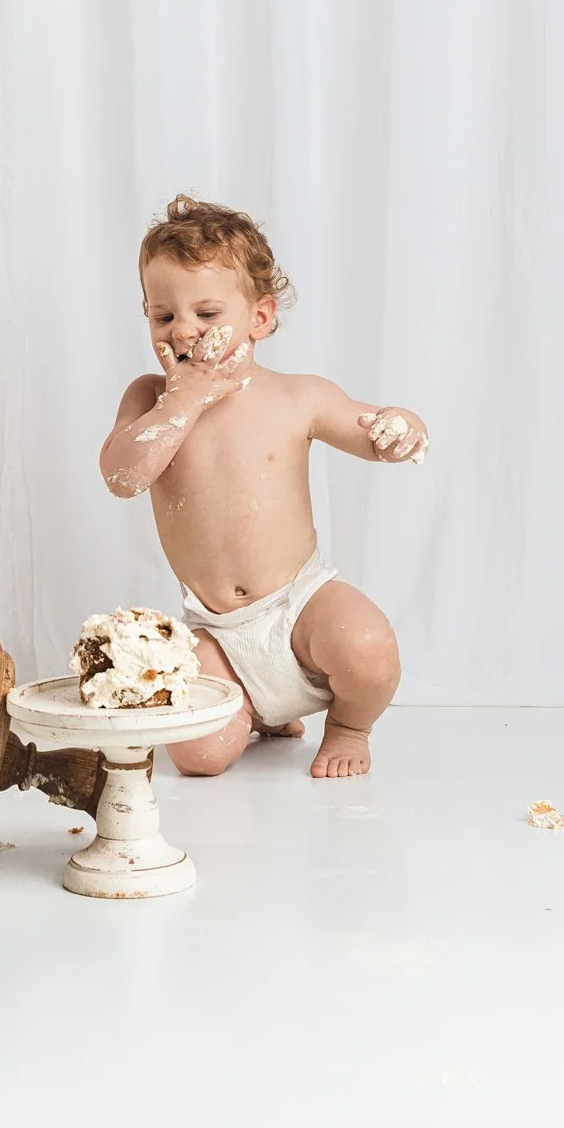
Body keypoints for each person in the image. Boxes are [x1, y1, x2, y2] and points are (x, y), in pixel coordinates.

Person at [99, 196, 427, 779]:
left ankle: (349, 725)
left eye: (206, 314)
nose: (184, 331)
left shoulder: (296, 396)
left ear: (261, 318)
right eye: (163, 316)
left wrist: (398, 427)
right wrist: (183, 400)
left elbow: (369, 429)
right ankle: (257, 711)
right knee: (197, 756)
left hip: (299, 604)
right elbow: (123, 476)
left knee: (369, 649)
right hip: (216, 630)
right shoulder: (149, 399)